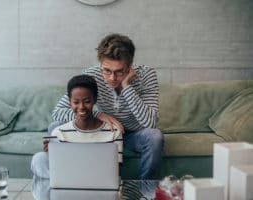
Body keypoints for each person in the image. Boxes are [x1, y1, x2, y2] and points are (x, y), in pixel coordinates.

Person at [49, 33, 164, 180]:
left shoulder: (147, 75)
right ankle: (69, 183)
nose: (112, 78)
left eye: (119, 72)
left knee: (155, 136)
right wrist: (96, 114)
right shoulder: (92, 76)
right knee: (55, 126)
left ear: (130, 66)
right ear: (100, 62)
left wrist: (126, 87)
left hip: (133, 136)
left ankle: (146, 191)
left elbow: (150, 123)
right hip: (102, 134)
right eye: (107, 70)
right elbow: (58, 112)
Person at [31, 74, 122, 179]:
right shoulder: (58, 132)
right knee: (39, 158)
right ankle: (57, 186)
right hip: (68, 180)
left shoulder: (113, 131)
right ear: (70, 102)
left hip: (98, 180)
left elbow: (116, 172)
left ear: (95, 100)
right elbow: (60, 166)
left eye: (87, 101)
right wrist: (52, 155)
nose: (81, 107)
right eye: (76, 102)